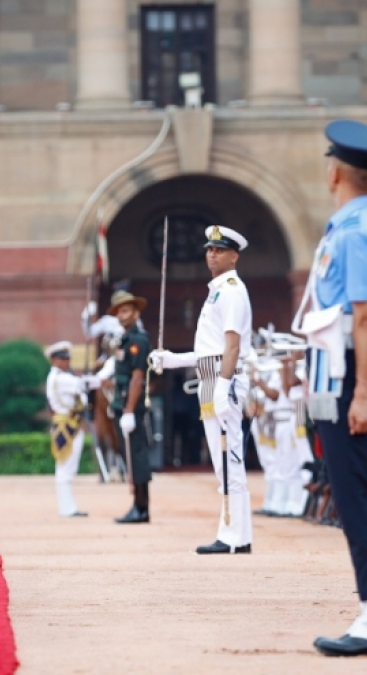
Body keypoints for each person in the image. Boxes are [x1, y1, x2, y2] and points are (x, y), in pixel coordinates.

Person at [301, 120, 367, 657]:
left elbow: (366, 318)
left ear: (336, 171)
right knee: (347, 491)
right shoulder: (345, 226)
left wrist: (364, 393)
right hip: (333, 371)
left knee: (358, 493)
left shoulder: (358, 232)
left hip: (348, 374)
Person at [151, 225, 254, 554]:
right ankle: (236, 534)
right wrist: (171, 360)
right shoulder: (217, 291)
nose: (212, 254)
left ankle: (233, 537)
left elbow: (232, 346)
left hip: (225, 380)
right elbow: (208, 350)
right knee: (222, 463)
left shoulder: (233, 289)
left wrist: (223, 387)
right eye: (209, 249)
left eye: (220, 250)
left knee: (230, 461)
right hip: (210, 380)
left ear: (234, 255)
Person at [107, 290, 153, 523]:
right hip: (121, 404)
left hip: (130, 406)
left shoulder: (138, 340)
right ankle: (138, 506)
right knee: (130, 457)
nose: (122, 315)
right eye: (119, 312)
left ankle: (142, 507)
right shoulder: (124, 340)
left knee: (137, 456)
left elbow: (137, 378)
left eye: (126, 310)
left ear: (136, 313)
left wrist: (128, 411)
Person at [45, 340, 100, 517]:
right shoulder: (60, 378)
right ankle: (67, 509)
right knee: (65, 470)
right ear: (54, 360)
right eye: (62, 359)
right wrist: (97, 376)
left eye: (67, 358)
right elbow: (83, 385)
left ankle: (68, 508)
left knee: (65, 470)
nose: (66, 362)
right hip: (67, 426)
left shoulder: (59, 377)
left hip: (67, 424)